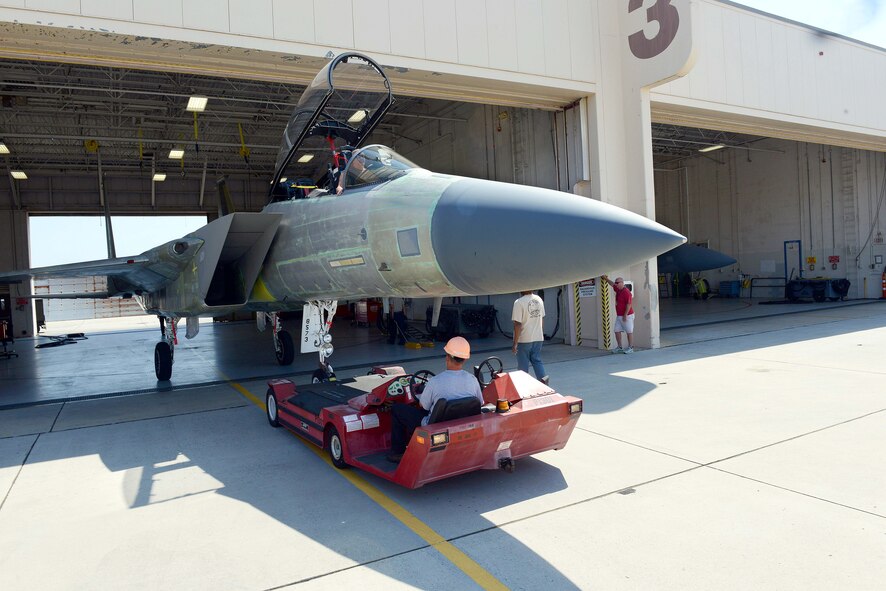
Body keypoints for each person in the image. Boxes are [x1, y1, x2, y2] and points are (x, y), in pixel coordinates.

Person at [387, 336, 483, 463]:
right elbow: (480, 403)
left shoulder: (435, 382)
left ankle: (398, 452)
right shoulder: (472, 380)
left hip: (435, 426)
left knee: (397, 409)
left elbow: (423, 406)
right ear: (465, 359)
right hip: (462, 423)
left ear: (447, 357)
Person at [511, 290, 549, 384]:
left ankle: (524, 389)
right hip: (538, 338)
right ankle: (545, 385)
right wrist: (540, 333)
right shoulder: (539, 299)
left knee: (523, 367)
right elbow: (542, 319)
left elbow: (518, 324)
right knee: (537, 361)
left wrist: (515, 343)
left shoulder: (519, 302)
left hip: (524, 339)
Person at [601, 275, 634, 353]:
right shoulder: (618, 289)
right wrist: (606, 279)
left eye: (617, 282)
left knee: (629, 331)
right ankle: (619, 347)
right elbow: (612, 284)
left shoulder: (626, 292)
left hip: (627, 315)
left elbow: (629, 304)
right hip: (619, 315)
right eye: (616, 282)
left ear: (622, 283)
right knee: (616, 330)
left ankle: (631, 347)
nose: (616, 284)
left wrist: (625, 315)